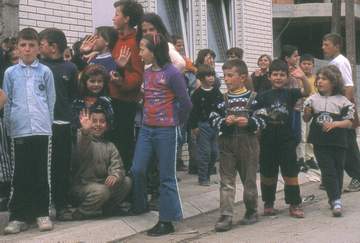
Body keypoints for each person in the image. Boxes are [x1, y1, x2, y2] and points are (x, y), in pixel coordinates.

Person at [130, 33, 192, 236]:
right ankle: (140, 205)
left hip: (167, 130)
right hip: (147, 129)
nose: (140, 53)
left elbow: (186, 103)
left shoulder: (173, 73)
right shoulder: (147, 73)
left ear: (154, 51)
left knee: (167, 176)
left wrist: (176, 123)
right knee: (137, 169)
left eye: (142, 49)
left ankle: (167, 220)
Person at [3, 28, 56, 234]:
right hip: (19, 130)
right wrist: (10, 126)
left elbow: (50, 100)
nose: (27, 49)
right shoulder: (10, 73)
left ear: (38, 49)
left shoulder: (45, 72)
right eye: (23, 45)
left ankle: (42, 213)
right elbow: (7, 102)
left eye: (31, 45)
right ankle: (18, 216)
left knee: (41, 172)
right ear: (17, 47)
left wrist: (47, 123)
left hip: (42, 130)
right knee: (21, 174)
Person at [210, 59, 265, 232]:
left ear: (242, 77)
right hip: (226, 144)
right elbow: (212, 118)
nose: (226, 79)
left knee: (248, 180)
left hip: (248, 142)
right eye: (224, 76)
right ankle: (226, 216)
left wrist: (249, 122)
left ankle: (251, 210)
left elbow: (263, 119)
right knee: (226, 181)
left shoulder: (254, 99)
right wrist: (224, 122)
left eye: (230, 75)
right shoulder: (221, 100)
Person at [253, 59, 310, 219]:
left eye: (282, 75)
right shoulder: (263, 96)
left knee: (290, 173)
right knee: (267, 174)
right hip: (267, 140)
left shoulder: (290, 93)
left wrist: (302, 77)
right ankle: (268, 203)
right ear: (269, 77)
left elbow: (307, 91)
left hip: (287, 140)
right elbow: (253, 111)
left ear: (287, 77)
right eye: (275, 74)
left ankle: (294, 203)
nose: (278, 78)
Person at [61, 104, 131, 220]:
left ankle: (108, 208)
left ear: (107, 125)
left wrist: (115, 175)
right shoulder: (80, 138)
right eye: (94, 121)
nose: (98, 125)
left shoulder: (110, 145)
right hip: (81, 187)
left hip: (101, 186)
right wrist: (85, 131)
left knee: (127, 182)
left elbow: (118, 167)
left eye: (102, 121)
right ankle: (80, 213)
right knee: (101, 191)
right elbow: (82, 147)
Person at [39, 28, 79, 219]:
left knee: (62, 166)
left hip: (62, 124)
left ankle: (62, 206)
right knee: (42, 166)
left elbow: (72, 95)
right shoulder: (38, 66)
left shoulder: (70, 68)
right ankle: (42, 206)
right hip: (41, 125)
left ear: (53, 47)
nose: (39, 47)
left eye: (42, 44)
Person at [303, 65, 354, 217]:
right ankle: (336, 200)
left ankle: (334, 197)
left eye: (324, 79)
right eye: (318, 78)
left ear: (333, 82)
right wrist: (307, 112)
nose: (319, 81)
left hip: (339, 141)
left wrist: (335, 124)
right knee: (328, 170)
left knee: (338, 169)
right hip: (320, 142)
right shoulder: (312, 99)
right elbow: (306, 119)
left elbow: (350, 122)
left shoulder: (343, 101)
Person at [322, 33, 360, 192]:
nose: (323, 48)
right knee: (336, 143)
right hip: (334, 108)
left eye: (326, 45)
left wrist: (345, 110)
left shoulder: (341, 62)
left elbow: (349, 87)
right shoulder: (334, 62)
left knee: (348, 144)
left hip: (342, 111)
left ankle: (357, 176)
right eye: (323, 44)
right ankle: (330, 177)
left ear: (337, 46)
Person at [111, 0, 144, 172]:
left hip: (124, 103)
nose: (113, 18)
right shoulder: (117, 39)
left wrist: (121, 81)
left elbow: (138, 76)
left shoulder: (135, 42)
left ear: (127, 19)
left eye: (117, 14)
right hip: (112, 100)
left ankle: (126, 189)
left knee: (122, 146)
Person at [189, 64, 222, 186]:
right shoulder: (197, 94)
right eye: (208, 76)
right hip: (202, 126)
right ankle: (203, 178)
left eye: (212, 75)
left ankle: (208, 173)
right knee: (205, 153)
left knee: (214, 153)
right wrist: (194, 127)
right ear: (202, 78)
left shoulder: (217, 92)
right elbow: (192, 112)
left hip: (215, 126)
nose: (211, 78)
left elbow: (221, 108)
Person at [72, 64, 112, 131]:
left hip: (99, 139)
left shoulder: (106, 102)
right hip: (78, 137)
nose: (96, 84)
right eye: (92, 81)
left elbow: (109, 125)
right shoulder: (77, 101)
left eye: (99, 81)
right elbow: (73, 124)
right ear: (85, 82)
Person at [298, 54, 318, 170]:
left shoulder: (316, 78)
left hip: (312, 110)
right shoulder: (298, 78)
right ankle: (301, 159)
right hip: (301, 109)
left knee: (310, 135)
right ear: (300, 64)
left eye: (309, 64)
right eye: (304, 63)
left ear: (313, 65)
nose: (306, 66)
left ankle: (310, 158)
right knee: (301, 135)